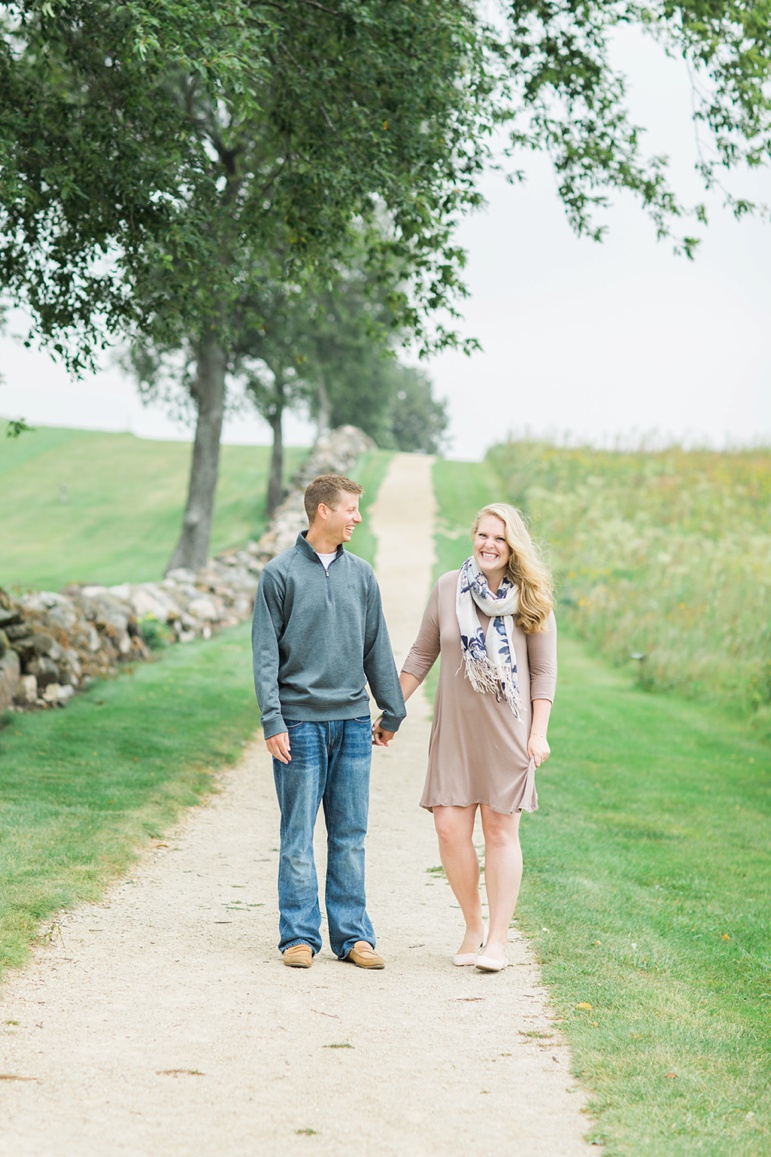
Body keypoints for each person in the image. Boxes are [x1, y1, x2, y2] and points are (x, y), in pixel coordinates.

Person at [377, 503, 556, 973]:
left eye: (498, 538)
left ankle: (497, 941)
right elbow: (420, 655)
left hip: (509, 733)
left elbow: (543, 674)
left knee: (500, 832)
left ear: (512, 545)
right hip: (456, 731)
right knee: (449, 830)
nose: (488, 545)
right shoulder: (447, 589)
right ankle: (473, 926)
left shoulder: (532, 597)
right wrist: (390, 710)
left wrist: (538, 735)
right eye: (482, 535)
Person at [252, 473, 406, 970]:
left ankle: (353, 936)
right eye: (351, 509)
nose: (357, 518)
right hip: (299, 725)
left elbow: (375, 646)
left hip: (353, 724)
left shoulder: (361, 574)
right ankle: (298, 936)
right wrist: (272, 719)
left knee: (350, 833)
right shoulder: (279, 575)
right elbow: (264, 657)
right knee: (297, 833)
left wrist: (393, 709)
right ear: (323, 511)